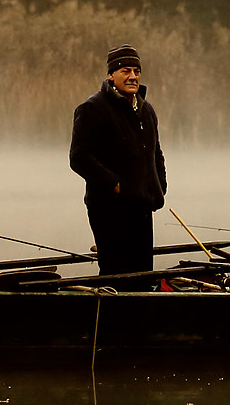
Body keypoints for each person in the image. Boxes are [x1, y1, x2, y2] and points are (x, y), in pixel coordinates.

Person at [68, 45, 165, 282]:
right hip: (109, 209)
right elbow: (79, 157)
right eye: (125, 70)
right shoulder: (93, 108)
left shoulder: (146, 110)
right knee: (116, 276)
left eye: (136, 71)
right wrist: (114, 183)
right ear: (111, 74)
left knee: (142, 276)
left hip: (142, 206)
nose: (133, 76)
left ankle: (138, 318)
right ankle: (113, 318)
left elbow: (156, 153)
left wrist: (159, 185)